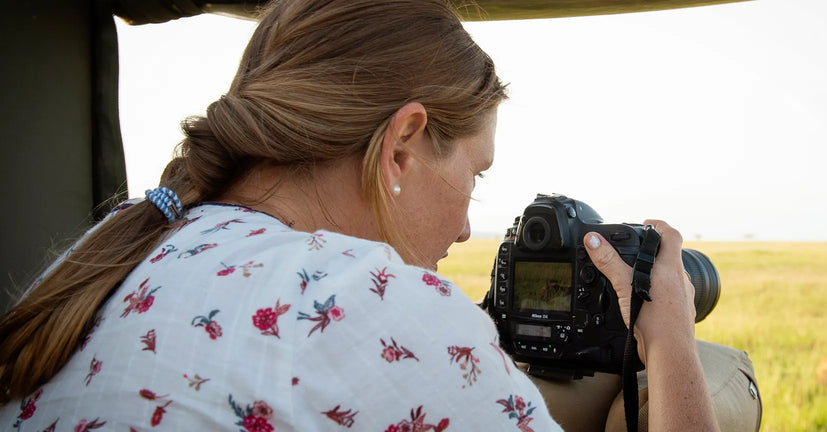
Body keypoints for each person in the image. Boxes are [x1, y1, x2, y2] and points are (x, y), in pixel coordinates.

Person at [0, 0, 720, 430]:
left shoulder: (112, 247)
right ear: (403, 147)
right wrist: (671, 340)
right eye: (475, 175)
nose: (468, 228)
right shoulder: (370, 304)